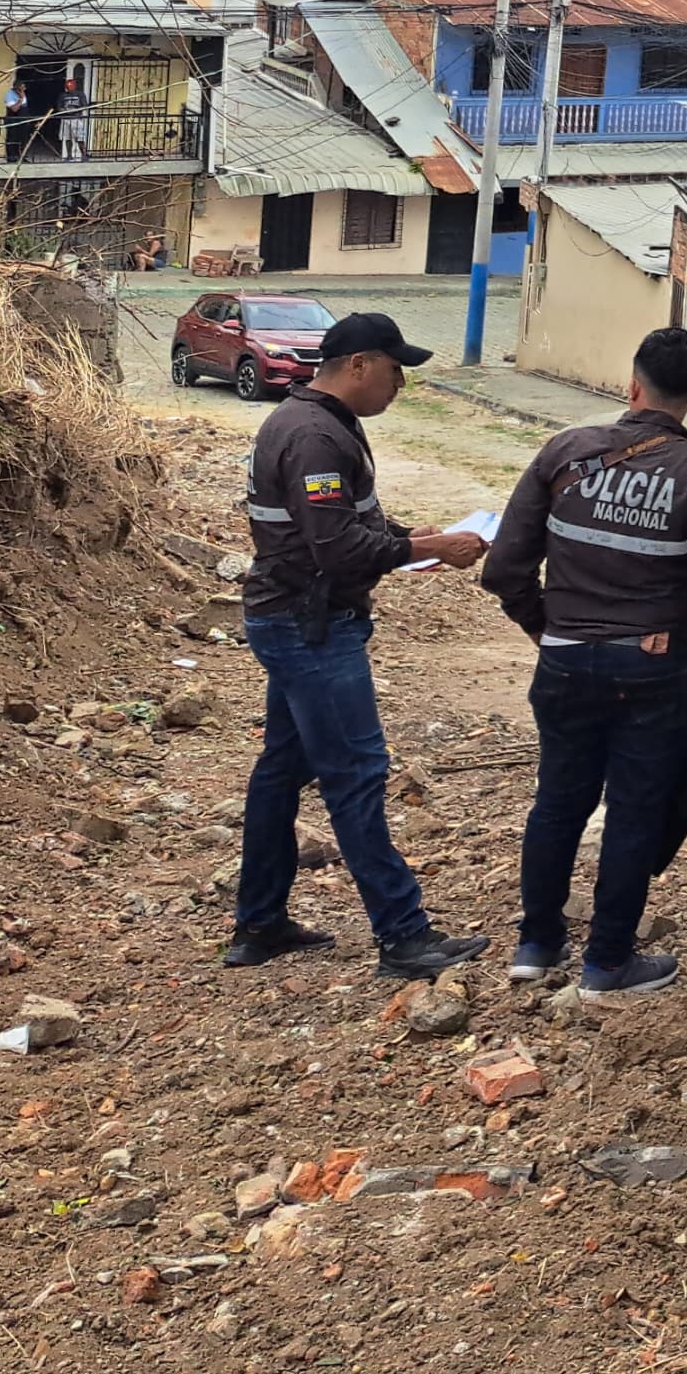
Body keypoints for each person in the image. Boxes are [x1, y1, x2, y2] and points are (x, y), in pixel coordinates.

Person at [481, 324, 687, 994]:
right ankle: (607, 962)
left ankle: (536, 945)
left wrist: (549, 631)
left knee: (556, 804)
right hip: (658, 670)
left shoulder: (564, 451)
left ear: (632, 385)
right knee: (635, 810)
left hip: (565, 663)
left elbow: (506, 568)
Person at [226, 313, 496, 978]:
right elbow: (337, 546)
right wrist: (428, 547)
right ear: (359, 366)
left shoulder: (313, 423)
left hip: (292, 617)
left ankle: (259, 924)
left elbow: (342, 522)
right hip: (309, 626)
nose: (400, 384)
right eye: (395, 370)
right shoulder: (316, 435)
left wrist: (409, 536)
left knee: (283, 772)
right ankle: (404, 936)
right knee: (354, 773)